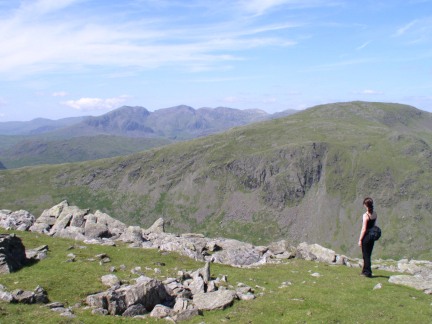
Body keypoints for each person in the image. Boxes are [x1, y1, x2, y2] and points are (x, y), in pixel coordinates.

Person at [358, 197, 377, 277]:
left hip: (366, 237)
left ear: (366, 205)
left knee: (365, 255)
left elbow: (364, 229)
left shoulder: (365, 215)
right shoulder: (375, 214)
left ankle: (367, 272)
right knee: (368, 254)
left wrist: (360, 239)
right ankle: (365, 271)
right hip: (372, 237)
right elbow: (374, 224)